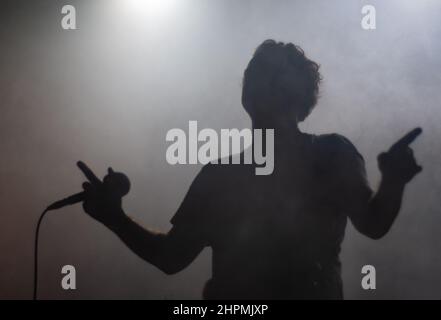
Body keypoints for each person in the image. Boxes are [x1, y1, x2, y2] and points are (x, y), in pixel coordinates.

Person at [78, 39, 422, 299]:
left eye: (273, 73)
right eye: (258, 72)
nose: (262, 80)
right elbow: (171, 257)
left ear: (300, 97)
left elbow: (373, 224)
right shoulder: (220, 174)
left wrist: (393, 181)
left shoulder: (331, 153)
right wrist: (113, 217)